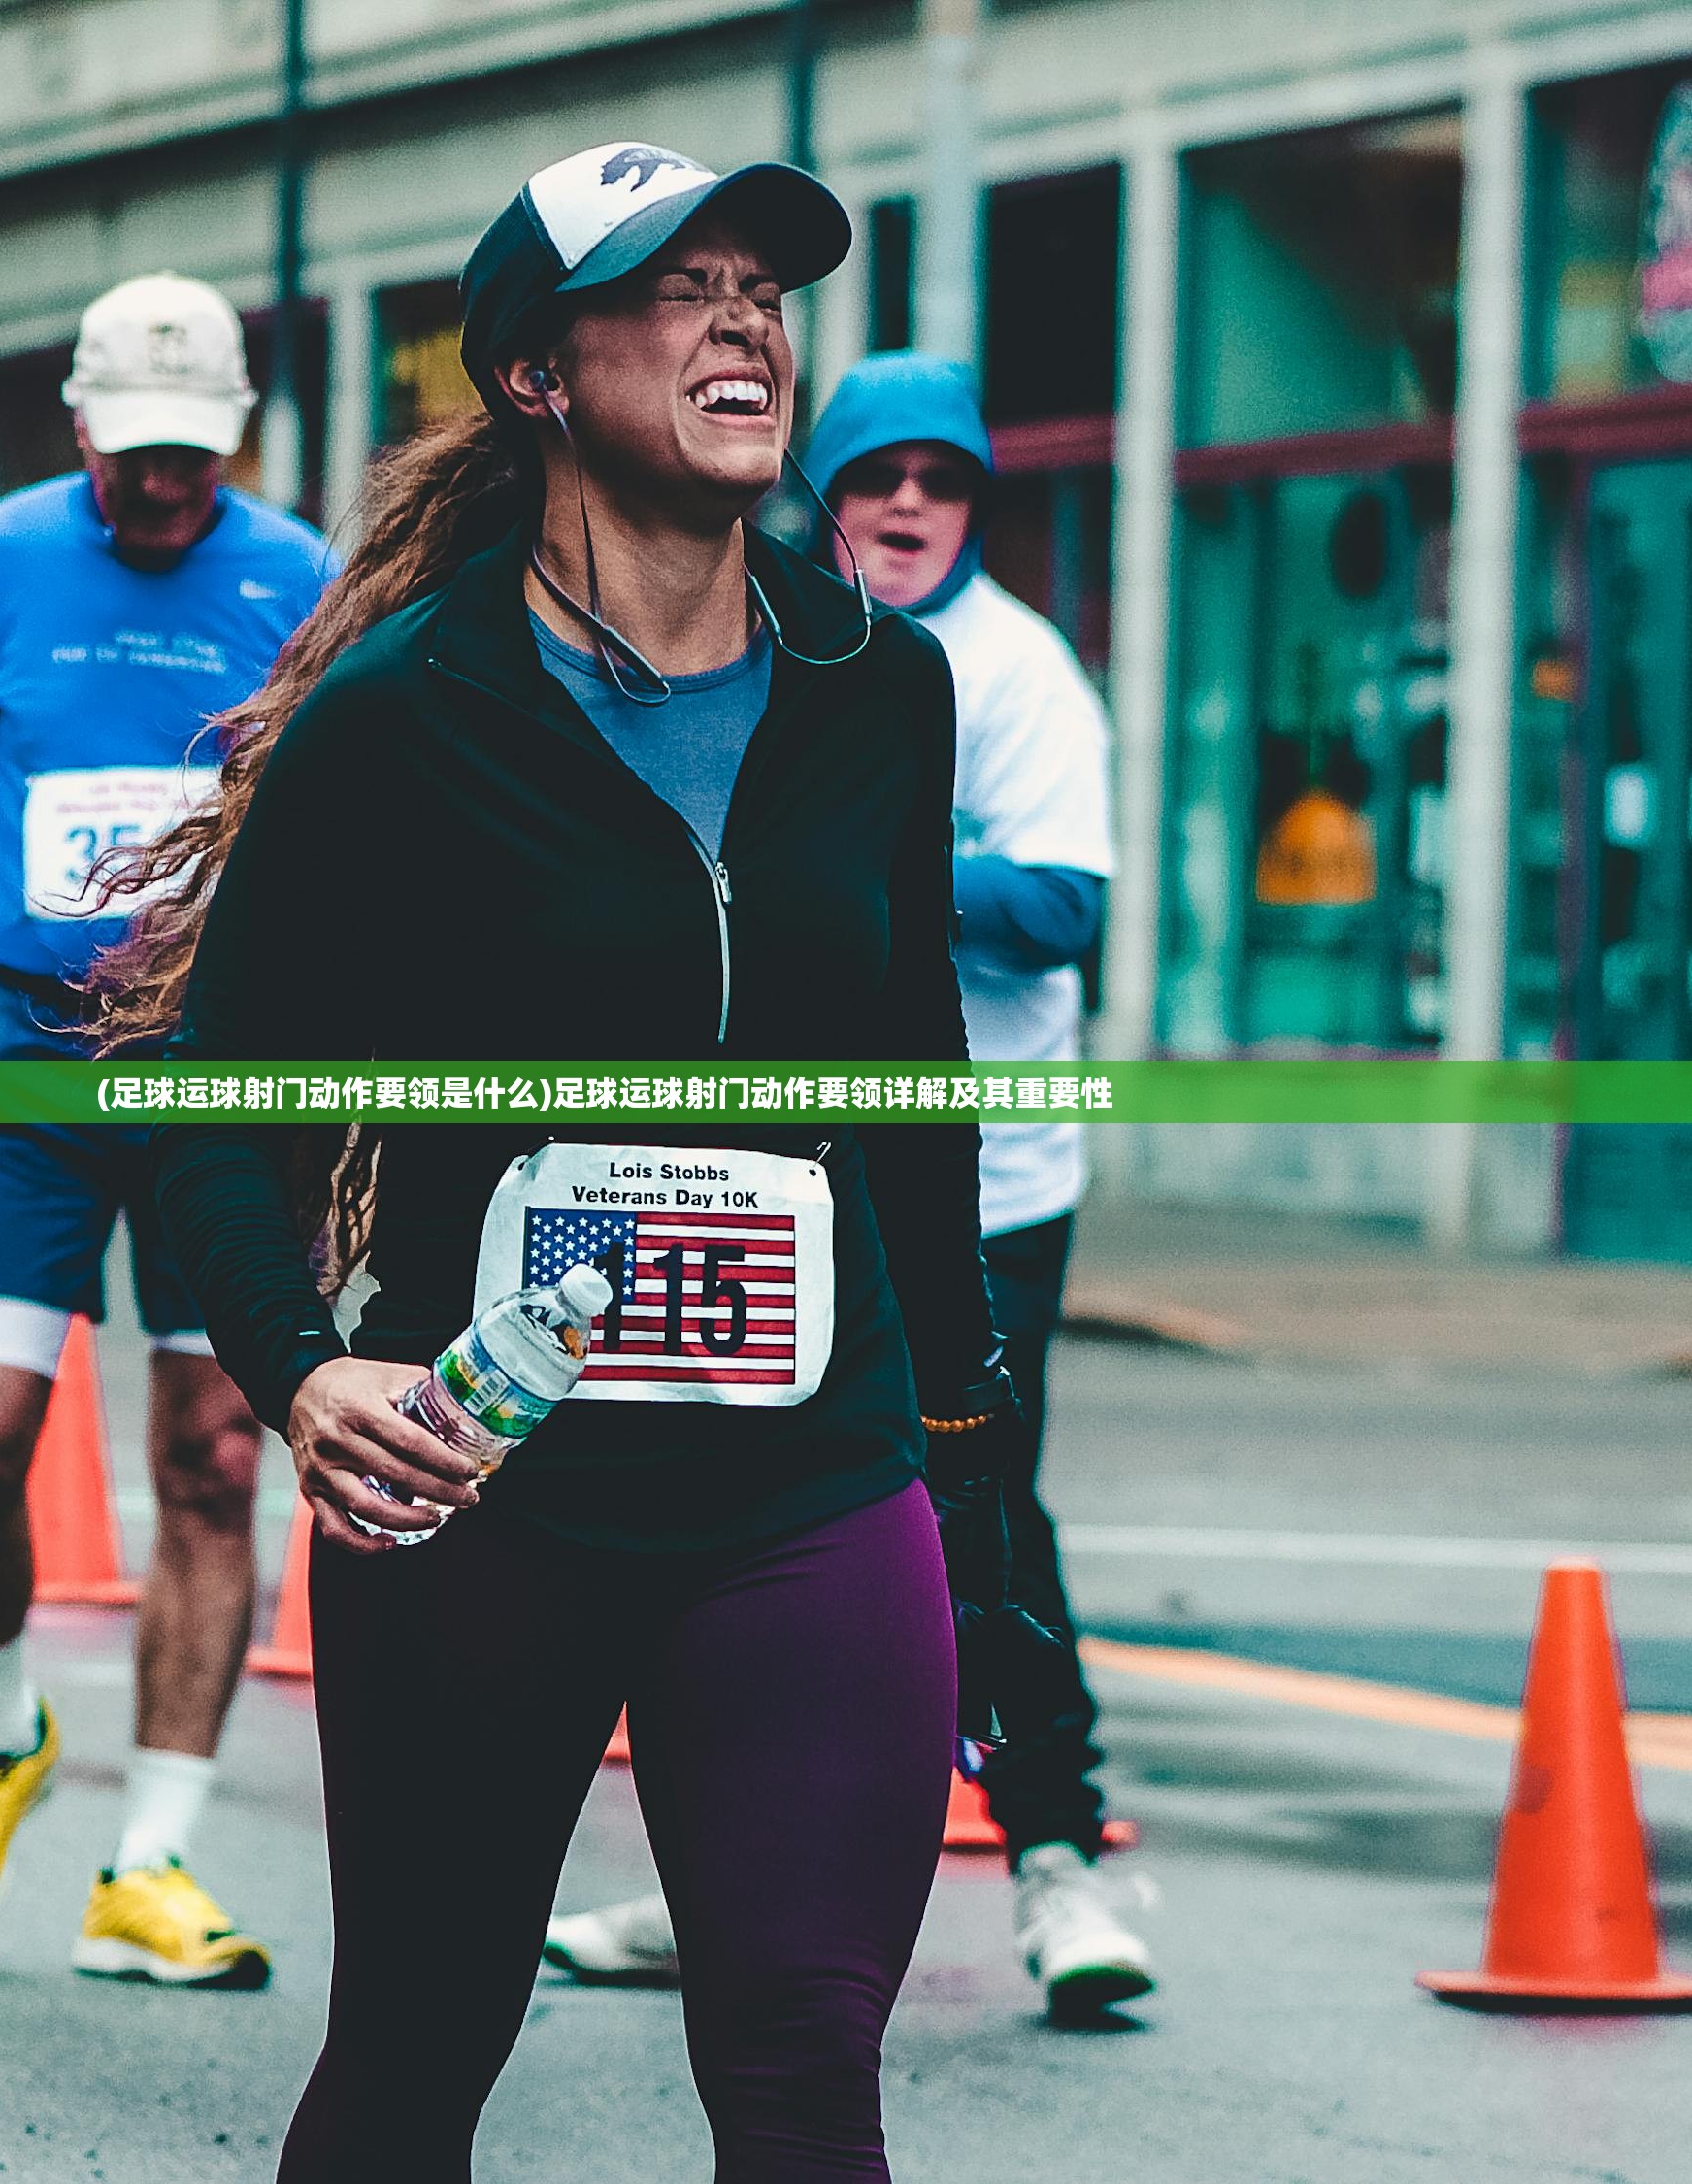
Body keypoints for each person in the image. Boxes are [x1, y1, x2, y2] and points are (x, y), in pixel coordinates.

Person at [98, 141, 1069, 2181]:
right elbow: (213, 1097)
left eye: (765, 290)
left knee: (805, 2074)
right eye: (679, 287)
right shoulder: (403, 713)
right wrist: (302, 1373)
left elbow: (914, 1089)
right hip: (490, 1488)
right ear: (539, 374)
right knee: (420, 2053)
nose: (745, 323)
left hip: (807, 1484)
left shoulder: (878, 687)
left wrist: (970, 1473)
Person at [542, 349, 1151, 2019]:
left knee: (983, 1505)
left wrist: (876, 862)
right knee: (739, 1510)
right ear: (829, 487)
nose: (902, 508)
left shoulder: (1016, 673)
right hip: (772, 1173)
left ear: (971, 507)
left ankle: (1056, 1865)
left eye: (938, 485)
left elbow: (1067, 906)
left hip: (983, 1174)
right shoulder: (775, 626)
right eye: (877, 477)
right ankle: (708, 1876)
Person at [0, 271, 330, 1979]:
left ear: (231, 439)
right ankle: (2, 1728)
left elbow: (361, 839)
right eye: (139, 453)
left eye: (199, 456)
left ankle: (151, 1863)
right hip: (29, 1054)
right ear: (81, 424)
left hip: (225, 1074)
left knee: (215, 1457)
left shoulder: (301, 583)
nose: (168, 485)